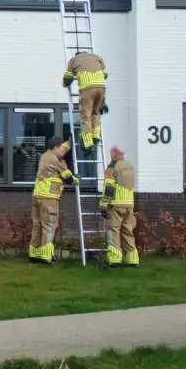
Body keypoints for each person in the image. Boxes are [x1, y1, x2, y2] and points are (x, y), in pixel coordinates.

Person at [29, 137, 77, 265]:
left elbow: (62, 151)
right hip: (49, 198)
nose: (62, 150)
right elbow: (68, 178)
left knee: (37, 225)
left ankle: (34, 253)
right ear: (56, 147)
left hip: (38, 195)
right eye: (61, 147)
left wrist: (69, 143)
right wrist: (78, 179)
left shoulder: (46, 156)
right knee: (49, 226)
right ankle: (46, 256)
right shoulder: (54, 160)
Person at [62, 50, 109, 153]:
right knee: (96, 112)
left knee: (86, 115)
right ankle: (96, 136)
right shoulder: (98, 57)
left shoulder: (74, 60)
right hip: (101, 88)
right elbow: (105, 75)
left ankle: (88, 143)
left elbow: (68, 77)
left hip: (87, 89)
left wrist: (65, 84)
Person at [100, 144, 139, 268]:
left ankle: (115, 258)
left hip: (116, 204)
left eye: (111, 153)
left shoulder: (112, 167)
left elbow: (109, 189)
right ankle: (132, 259)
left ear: (115, 154)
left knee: (113, 230)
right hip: (129, 204)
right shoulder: (130, 167)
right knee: (128, 231)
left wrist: (103, 204)